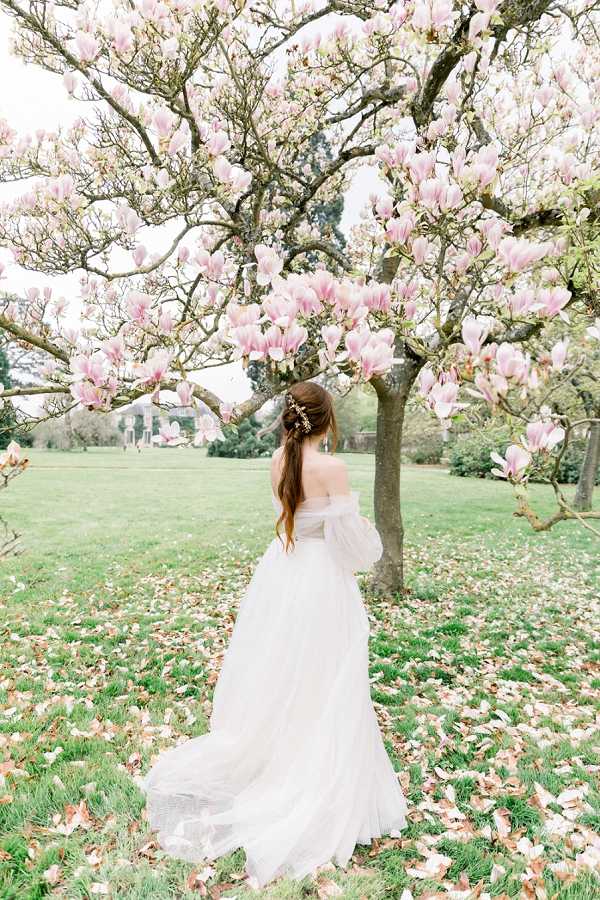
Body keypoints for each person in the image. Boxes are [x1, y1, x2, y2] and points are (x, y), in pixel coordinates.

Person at [142, 382, 407, 887]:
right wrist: (367, 541)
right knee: (326, 673)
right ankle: (311, 770)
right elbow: (352, 547)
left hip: (282, 572)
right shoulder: (332, 468)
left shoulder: (276, 461)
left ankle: (282, 752)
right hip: (321, 580)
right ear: (326, 421)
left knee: (285, 670)